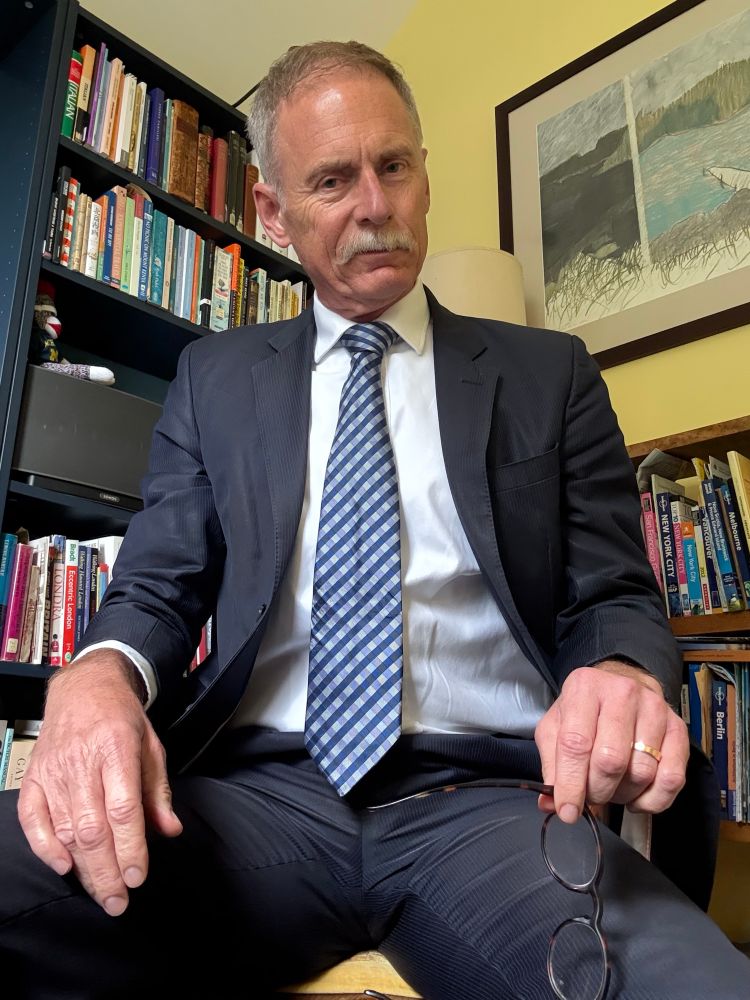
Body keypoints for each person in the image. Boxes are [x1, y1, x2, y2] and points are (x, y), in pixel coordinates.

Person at [1, 40, 748, 1000]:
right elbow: (157, 585)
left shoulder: (547, 374)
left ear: (424, 172)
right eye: (333, 179)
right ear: (273, 209)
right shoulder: (217, 380)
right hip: (257, 802)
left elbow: (612, 592)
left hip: (492, 805)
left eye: (394, 166)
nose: (374, 206)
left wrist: (614, 671)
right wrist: (97, 678)